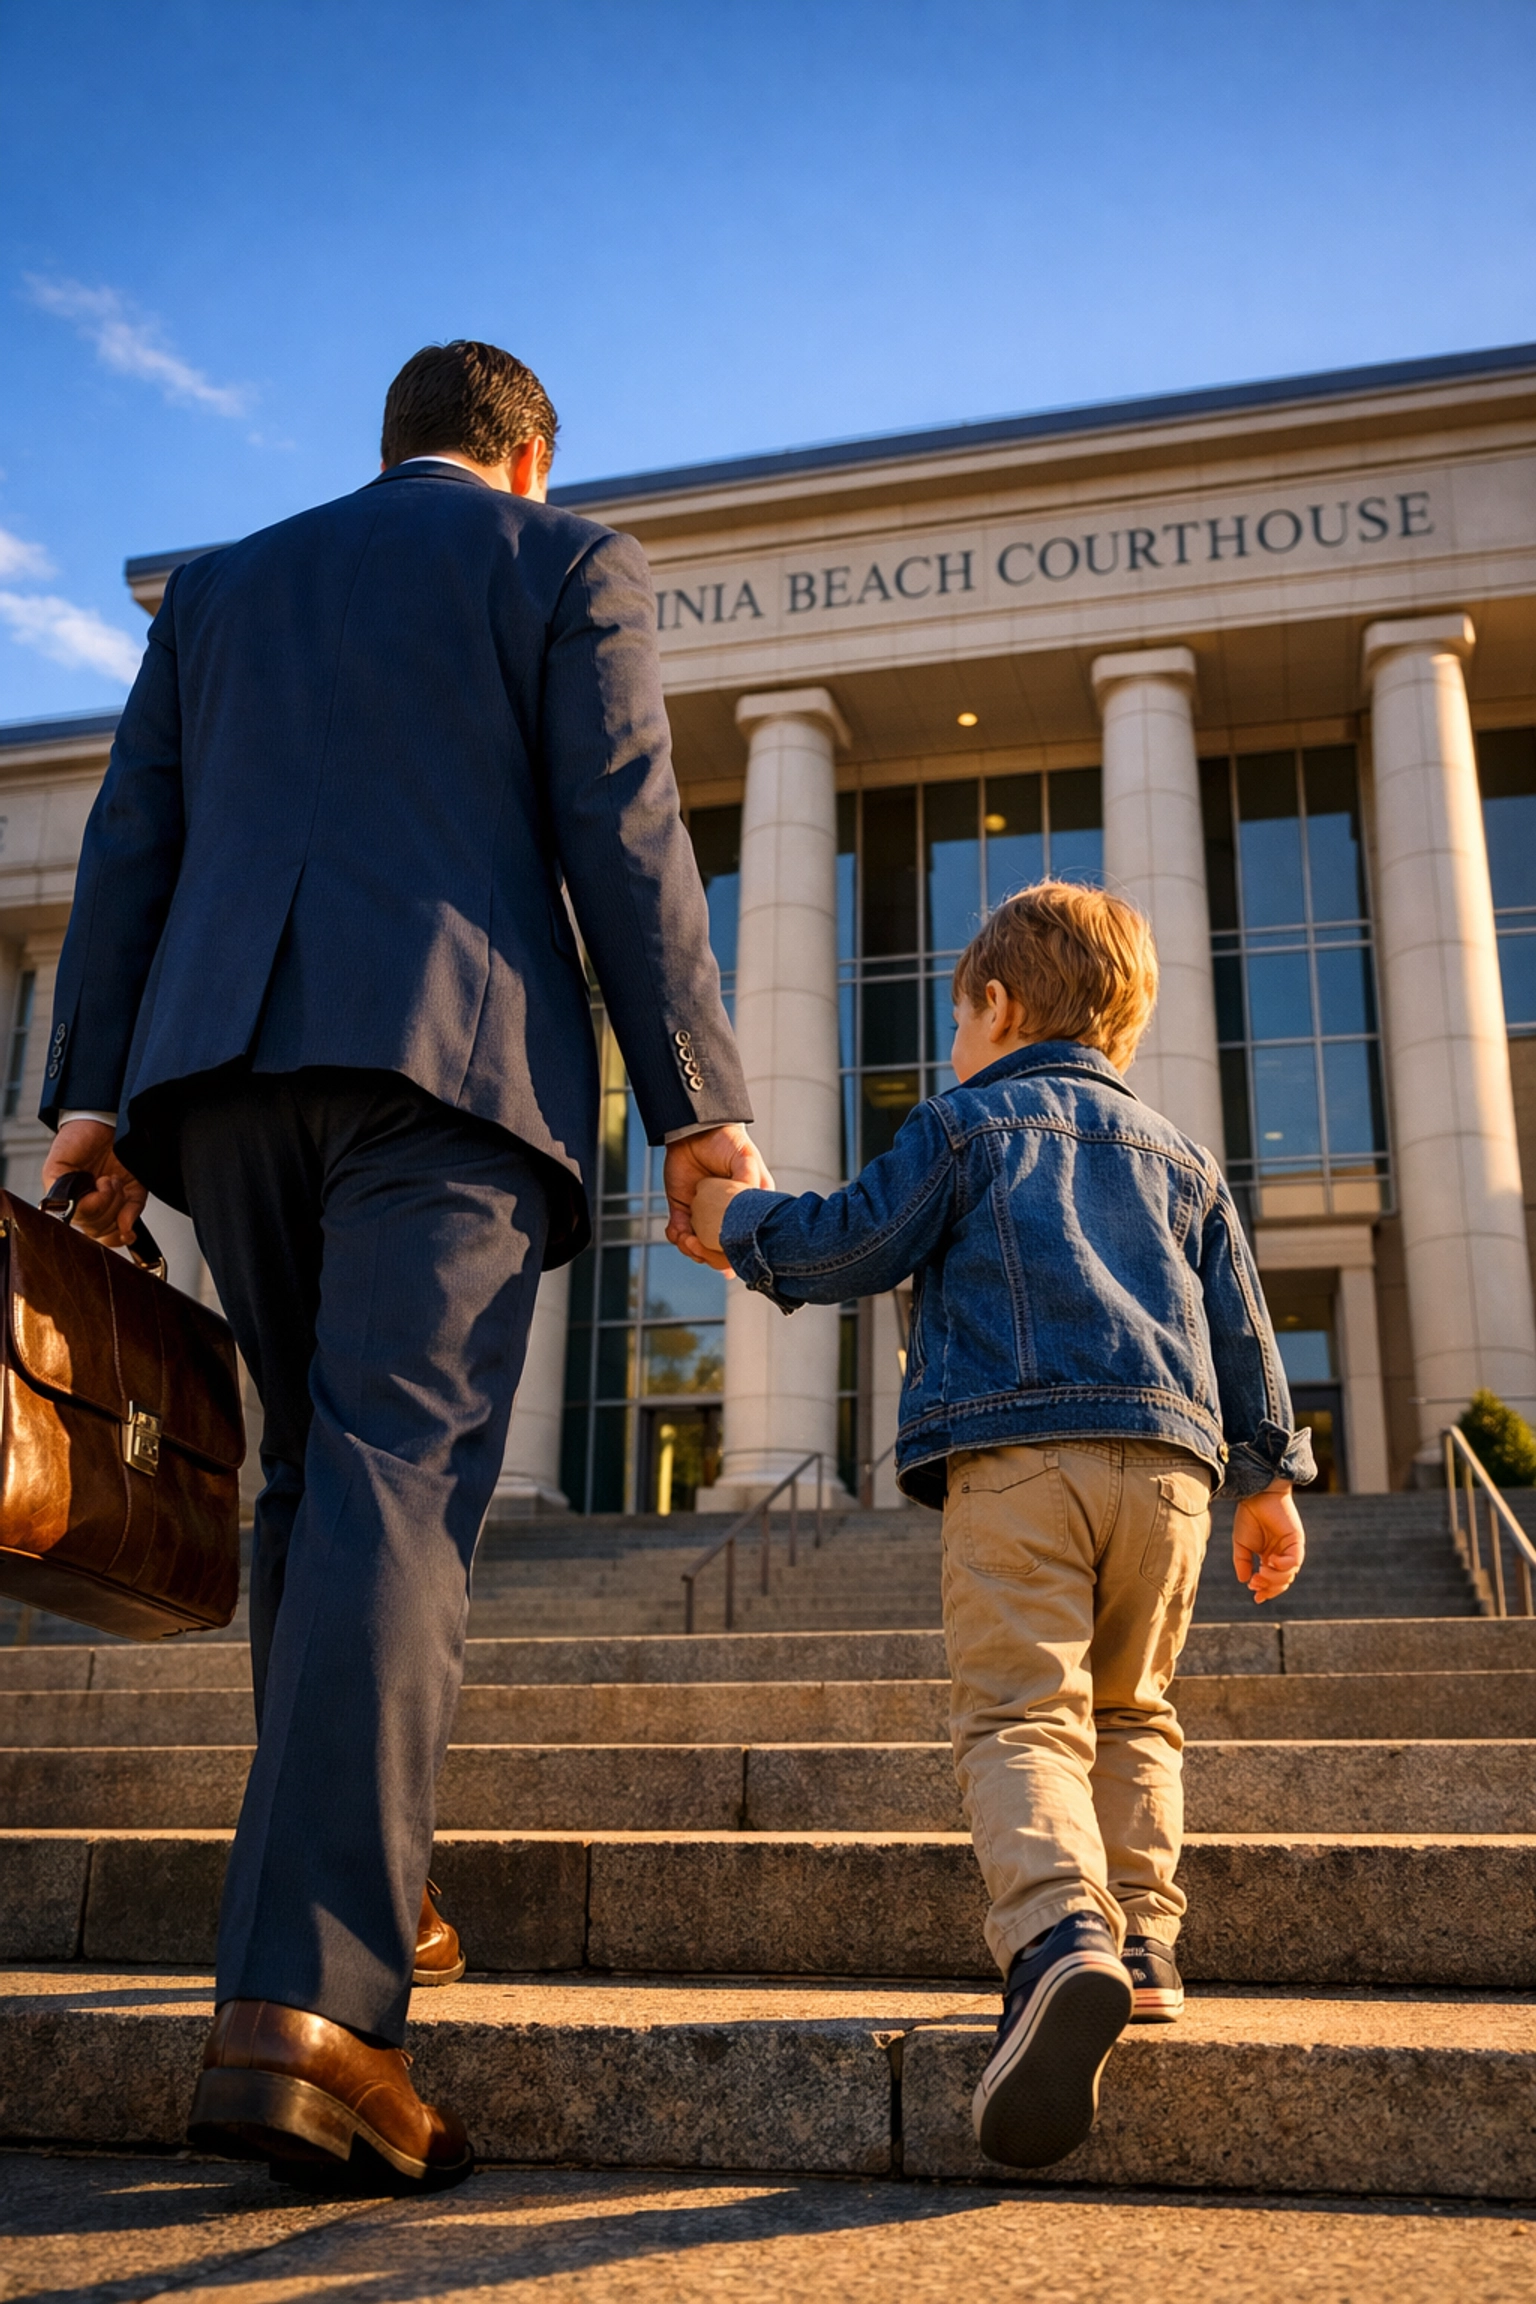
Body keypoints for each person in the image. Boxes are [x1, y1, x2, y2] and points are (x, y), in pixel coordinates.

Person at [40, 340, 766, 2190]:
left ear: (393, 449)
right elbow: (624, 826)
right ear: (527, 457)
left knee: (315, 1482)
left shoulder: (221, 592)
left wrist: (93, 1102)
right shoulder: (564, 560)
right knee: (393, 1481)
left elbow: (132, 845)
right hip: (447, 1067)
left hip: (220, 1085)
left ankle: (371, 1880)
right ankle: (315, 2012)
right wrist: (697, 1107)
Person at [691, 879, 1310, 2172]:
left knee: (1024, 1713)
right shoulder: (1183, 1157)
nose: (956, 1045)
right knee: (1134, 1710)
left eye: (958, 1021)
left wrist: (740, 1225)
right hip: (1171, 1482)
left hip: (1020, 1463)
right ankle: (1144, 1941)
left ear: (998, 1003)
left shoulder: (965, 1126)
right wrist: (1269, 1484)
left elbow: (851, 1242)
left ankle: (1054, 1937)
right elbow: (1245, 1328)